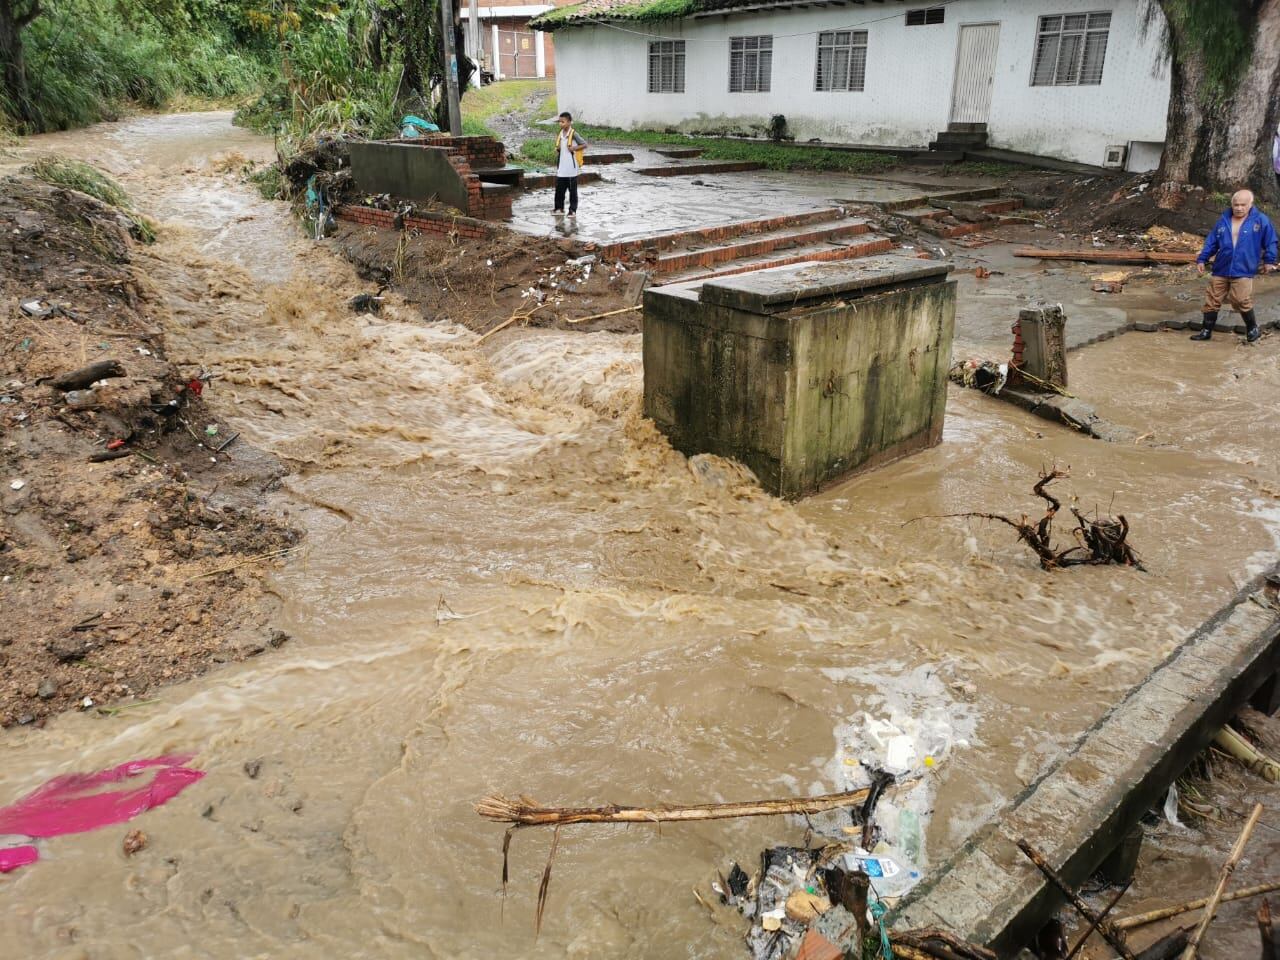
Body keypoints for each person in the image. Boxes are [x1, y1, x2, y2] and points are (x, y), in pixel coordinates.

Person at [1190, 189, 1278, 342]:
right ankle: (1206, 331)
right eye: (1236, 204)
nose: (1239, 208)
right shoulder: (1223, 220)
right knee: (1212, 299)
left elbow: (1271, 242)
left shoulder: (1260, 220)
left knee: (1240, 299)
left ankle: (1252, 328)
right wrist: (1202, 259)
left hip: (1244, 267)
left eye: (1243, 205)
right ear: (1232, 204)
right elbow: (1212, 242)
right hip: (1221, 267)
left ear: (1250, 204)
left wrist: (1269, 261)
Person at [553, 112, 588, 218]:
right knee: (559, 190)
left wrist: (574, 148)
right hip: (562, 168)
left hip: (571, 169)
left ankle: (572, 210)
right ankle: (559, 208)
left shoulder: (573, 134)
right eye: (559, 122)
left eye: (563, 122)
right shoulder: (560, 133)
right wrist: (558, 149)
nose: (561, 124)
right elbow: (560, 147)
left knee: (573, 191)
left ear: (569, 122)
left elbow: (584, 144)